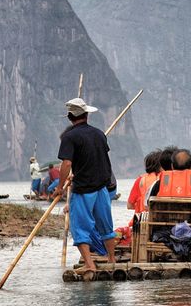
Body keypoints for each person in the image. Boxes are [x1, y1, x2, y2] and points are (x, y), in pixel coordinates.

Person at [53, 97, 116, 272]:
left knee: (80, 228)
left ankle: (89, 264)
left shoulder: (69, 137)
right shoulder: (99, 134)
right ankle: (111, 260)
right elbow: (98, 158)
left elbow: (66, 163)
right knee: (106, 226)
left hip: (83, 190)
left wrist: (59, 188)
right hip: (102, 188)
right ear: (86, 114)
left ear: (69, 117)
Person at [127, 150, 162, 215]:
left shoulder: (140, 180)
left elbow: (129, 205)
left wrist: (139, 206)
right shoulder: (168, 180)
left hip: (143, 219)